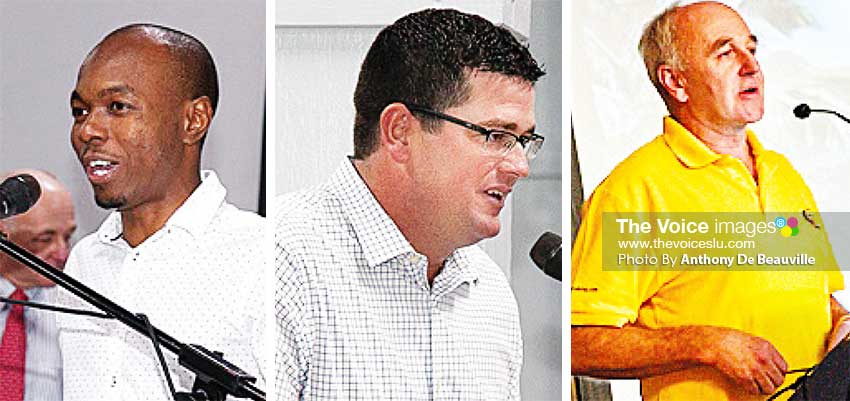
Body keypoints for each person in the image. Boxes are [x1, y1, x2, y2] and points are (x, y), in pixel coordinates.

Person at [571, 2, 849, 401]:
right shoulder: (634, 189)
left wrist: (842, 323)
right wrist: (706, 344)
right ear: (676, 82)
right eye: (725, 52)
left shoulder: (782, 173)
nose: (750, 65)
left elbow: (819, 296)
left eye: (751, 49)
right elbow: (579, 343)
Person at [275, 8, 545, 400]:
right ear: (400, 132)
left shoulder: (488, 291)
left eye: (524, 142)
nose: (519, 166)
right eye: (496, 135)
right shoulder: (287, 260)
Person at [58, 24, 264, 400]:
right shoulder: (84, 261)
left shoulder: (263, 257)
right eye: (80, 111)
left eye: (117, 107)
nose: (87, 130)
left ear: (193, 120)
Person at [0, 169, 76, 401]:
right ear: (3, 236)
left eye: (68, 236)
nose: (63, 253)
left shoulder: (79, 314)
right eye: (44, 239)